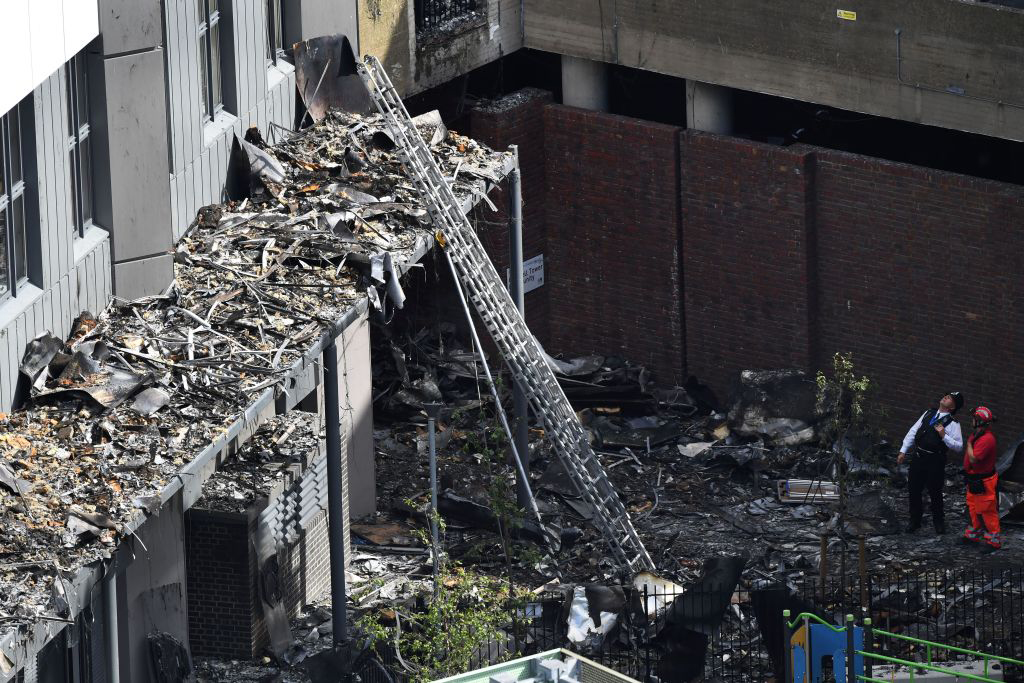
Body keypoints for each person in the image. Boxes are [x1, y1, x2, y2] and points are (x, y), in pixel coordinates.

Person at [897, 392, 964, 534]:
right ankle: (915, 521)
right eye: (947, 395)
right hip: (918, 456)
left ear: (953, 407)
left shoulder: (953, 423)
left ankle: (938, 522)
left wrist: (944, 436)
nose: (946, 397)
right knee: (914, 490)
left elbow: (959, 446)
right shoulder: (929, 413)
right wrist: (903, 450)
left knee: (935, 492)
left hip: (935, 460)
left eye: (950, 398)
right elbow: (913, 431)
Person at [963, 406, 1000, 550]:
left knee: (987, 511)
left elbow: (974, 458)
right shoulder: (977, 434)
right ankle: (973, 534)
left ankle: (994, 541)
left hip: (984, 482)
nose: (971, 420)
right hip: (974, 479)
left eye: (974, 418)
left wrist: (968, 444)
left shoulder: (987, 439)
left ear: (979, 421)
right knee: (973, 507)